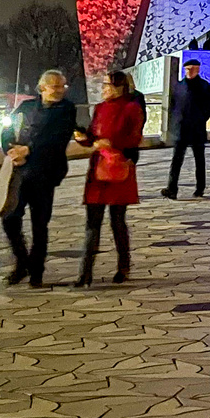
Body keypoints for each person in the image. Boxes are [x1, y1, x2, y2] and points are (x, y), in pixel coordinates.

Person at [0, 69, 77, 286]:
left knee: (39, 223)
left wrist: (28, 150)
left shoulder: (67, 109)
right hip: (20, 171)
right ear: (42, 87)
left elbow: (58, 137)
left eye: (63, 86)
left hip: (46, 172)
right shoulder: (26, 107)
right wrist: (10, 150)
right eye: (56, 86)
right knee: (10, 217)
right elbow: (7, 128)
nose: (60, 90)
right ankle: (22, 261)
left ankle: (37, 270)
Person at [73, 70, 143, 286]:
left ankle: (123, 267)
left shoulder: (132, 108)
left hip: (119, 169)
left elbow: (134, 137)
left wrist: (112, 143)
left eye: (107, 85)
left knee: (117, 221)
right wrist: (84, 138)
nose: (103, 89)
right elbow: (94, 135)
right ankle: (85, 273)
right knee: (92, 223)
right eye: (102, 85)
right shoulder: (100, 108)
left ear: (120, 87)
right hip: (98, 170)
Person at [163, 59, 210, 199]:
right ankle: (172, 189)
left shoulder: (204, 86)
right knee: (176, 160)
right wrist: (174, 123)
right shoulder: (179, 86)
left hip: (197, 128)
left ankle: (200, 188)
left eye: (192, 69)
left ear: (198, 69)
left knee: (199, 159)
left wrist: (201, 118)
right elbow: (173, 105)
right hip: (181, 129)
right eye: (187, 69)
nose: (189, 71)